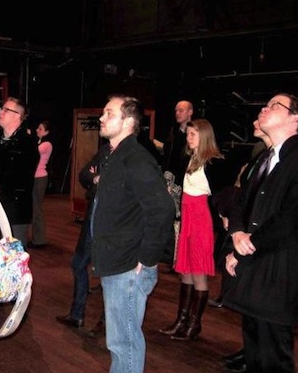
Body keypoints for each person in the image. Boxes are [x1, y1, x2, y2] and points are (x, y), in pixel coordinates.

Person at [223, 93, 298, 373]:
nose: (264, 109)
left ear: (295, 118)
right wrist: (238, 236)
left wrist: (246, 246)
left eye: (273, 105)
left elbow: (289, 222)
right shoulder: (267, 159)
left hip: (278, 277)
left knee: (273, 358)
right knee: (255, 353)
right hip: (256, 271)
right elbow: (243, 204)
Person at [91, 94, 175, 373]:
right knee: (119, 340)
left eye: (109, 113)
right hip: (115, 260)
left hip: (128, 266)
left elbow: (162, 209)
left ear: (128, 122)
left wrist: (147, 258)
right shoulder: (114, 155)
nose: (102, 118)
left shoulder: (136, 159)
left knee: (124, 342)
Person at [210, 119, 272, 373]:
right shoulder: (259, 158)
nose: (256, 120)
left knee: (258, 307)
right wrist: (232, 218)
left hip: (257, 241)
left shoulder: (278, 160)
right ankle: (248, 351)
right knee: (248, 305)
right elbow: (242, 195)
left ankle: (254, 355)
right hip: (244, 233)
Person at [158, 118, 224, 341]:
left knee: (198, 272)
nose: (189, 137)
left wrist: (224, 218)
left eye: (194, 134)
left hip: (200, 218)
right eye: (188, 134)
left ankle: (194, 323)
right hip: (186, 216)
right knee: (184, 269)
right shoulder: (189, 158)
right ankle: (181, 320)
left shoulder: (213, 162)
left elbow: (221, 197)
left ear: (204, 135)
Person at [56, 143, 109, 333]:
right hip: (92, 218)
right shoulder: (105, 150)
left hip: (111, 223)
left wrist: (101, 177)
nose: (103, 119)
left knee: (107, 273)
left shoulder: (130, 154)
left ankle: (105, 321)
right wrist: (96, 177)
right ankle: (77, 314)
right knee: (78, 264)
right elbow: (84, 174)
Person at [0, 97, 39, 248]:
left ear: (17, 116)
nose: (1, 112)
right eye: (2, 109)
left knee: (13, 256)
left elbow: (21, 177)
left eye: (6, 110)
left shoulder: (27, 143)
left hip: (14, 210)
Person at [160, 100, 194, 269]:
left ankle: (180, 258)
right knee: (170, 218)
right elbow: (168, 156)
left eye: (181, 110)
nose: (177, 113)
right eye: (176, 110)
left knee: (182, 221)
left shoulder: (194, 134)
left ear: (190, 112)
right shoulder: (173, 132)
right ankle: (170, 256)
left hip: (185, 184)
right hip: (170, 181)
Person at [28, 120, 53, 249]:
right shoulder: (39, 142)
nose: (37, 130)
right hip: (35, 177)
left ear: (47, 132)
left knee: (37, 208)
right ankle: (35, 238)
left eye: (41, 129)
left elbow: (34, 151)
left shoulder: (46, 144)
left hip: (40, 178)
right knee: (33, 208)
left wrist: (28, 137)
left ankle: (39, 239)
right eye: (38, 128)